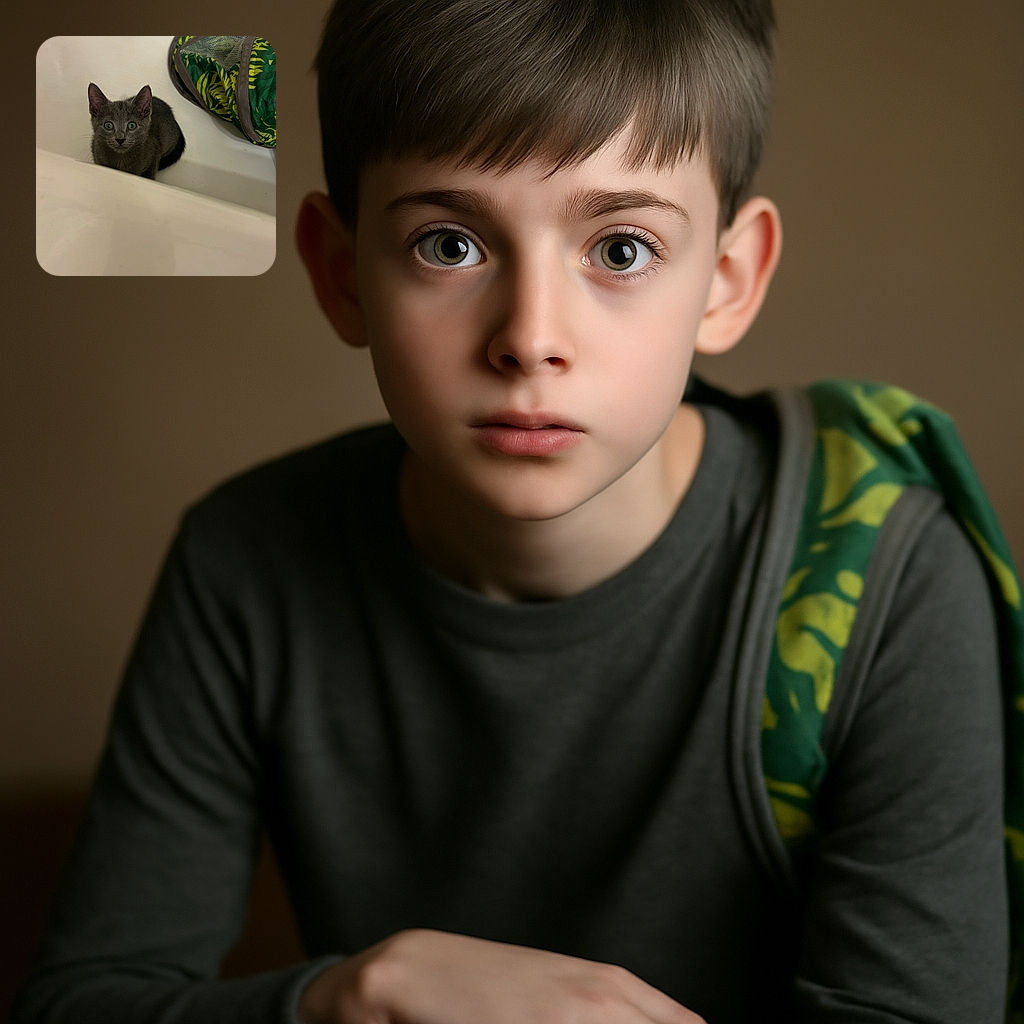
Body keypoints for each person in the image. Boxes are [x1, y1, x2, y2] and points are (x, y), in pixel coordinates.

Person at [14, 2, 1009, 1022]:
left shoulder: (883, 576)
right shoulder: (246, 564)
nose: (530, 338)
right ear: (341, 275)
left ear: (726, 280)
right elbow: (79, 1001)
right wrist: (348, 1000)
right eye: (448, 244)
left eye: (620, 250)